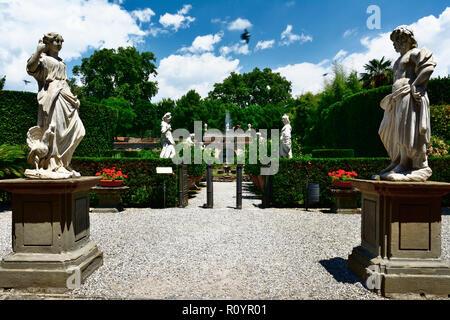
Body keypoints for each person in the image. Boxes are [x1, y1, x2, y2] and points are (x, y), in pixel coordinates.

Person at [378, 26, 436, 181]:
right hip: (397, 98)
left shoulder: (415, 53)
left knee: (406, 130)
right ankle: (399, 161)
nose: (399, 43)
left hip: (407, 96)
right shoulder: (397, 61)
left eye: (402, 39)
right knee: (394, 131)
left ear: (411, 40)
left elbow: (428, 68)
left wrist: (415, 85)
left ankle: (406, 164)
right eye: (396, 41)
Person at [25, 32, 85, 179]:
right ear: (48, 43)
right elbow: (31, 68)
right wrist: (38, 50)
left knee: (79, 131)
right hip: (52, 96)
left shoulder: (61, 62)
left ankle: (64, 163)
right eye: (55, 41)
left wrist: (73, 99)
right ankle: (54, 164)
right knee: (55, 131)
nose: (59, 44)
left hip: (65, 96)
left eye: (60, 41)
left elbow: (65, 82)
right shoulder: (43, 58)